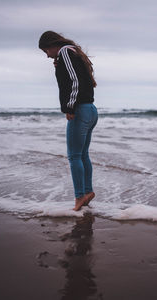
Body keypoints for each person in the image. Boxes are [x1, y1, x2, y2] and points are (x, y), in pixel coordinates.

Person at [39, 31, 98, 211]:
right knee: (82, 155)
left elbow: (74, 81)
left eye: (45, 51)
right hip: (90, 110)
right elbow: (76, 78)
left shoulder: (65, 51)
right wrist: (58, 67)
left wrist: (70, 107)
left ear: (51, 45)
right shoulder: (72, 53)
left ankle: (80, 196)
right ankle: (87, 192)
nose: (47, 56)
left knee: (74, 156)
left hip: (80, 110)